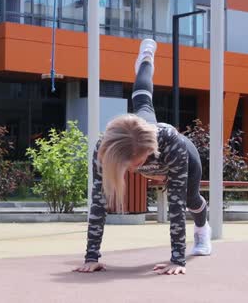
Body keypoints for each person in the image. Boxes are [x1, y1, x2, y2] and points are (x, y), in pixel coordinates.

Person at [74, 39, 212, 275]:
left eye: (134, 164)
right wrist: (91, 257)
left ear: (149, 152)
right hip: (140, 130)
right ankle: (146, 59)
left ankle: (202, 231)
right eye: (125, 166)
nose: (130, 170)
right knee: (142, 100)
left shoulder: (172, 144)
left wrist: (178, 260)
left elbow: (175, 207)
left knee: (189, 199)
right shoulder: (106, 147)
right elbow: (98, 202)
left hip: (181, 156)